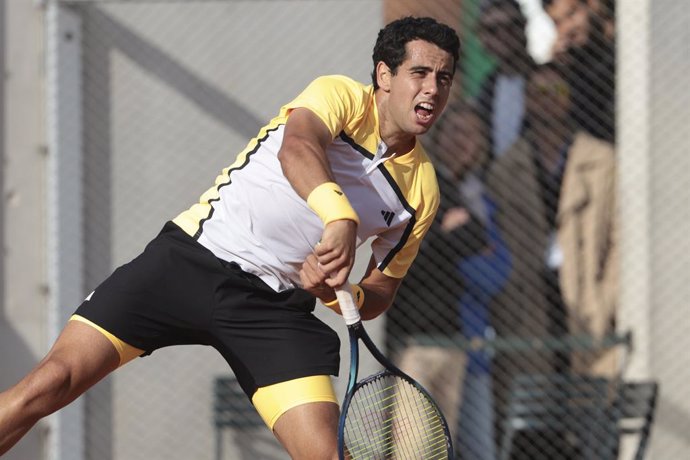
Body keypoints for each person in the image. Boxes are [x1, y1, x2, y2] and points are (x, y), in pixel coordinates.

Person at [0, 16, 460, 459]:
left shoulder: (421, 188)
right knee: (49, 386)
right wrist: (340, 217)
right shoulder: (339, 94)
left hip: (274, 308)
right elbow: (296, 147)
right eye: (419, 73)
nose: (432, 89)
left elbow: (380, 291)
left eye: (443, 78)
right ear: (383, 74)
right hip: (190, 262)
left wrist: (340, 293)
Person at [485, 62, 618, 453]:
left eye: (554, 93)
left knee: (590, 415)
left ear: (569, 99)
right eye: (537, 94)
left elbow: (620, 240)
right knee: (536, 427)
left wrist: (606, 300)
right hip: (529, 302)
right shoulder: (504, 168)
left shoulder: (603, 161)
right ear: (526, 102)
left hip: (585, 300)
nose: (546, 102)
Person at [543, 0, 616, 142]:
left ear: (592, 5)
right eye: (558, 23)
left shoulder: (627, 44)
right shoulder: (570, 63)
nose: (567, 28)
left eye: (571, 14)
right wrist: (555, 72)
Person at [476, 0, 536, 164]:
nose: (503, 35)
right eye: (493, 30)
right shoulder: (486, 90)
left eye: (511, 25)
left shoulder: (546, 79)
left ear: (524, 27)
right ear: (483, 38)